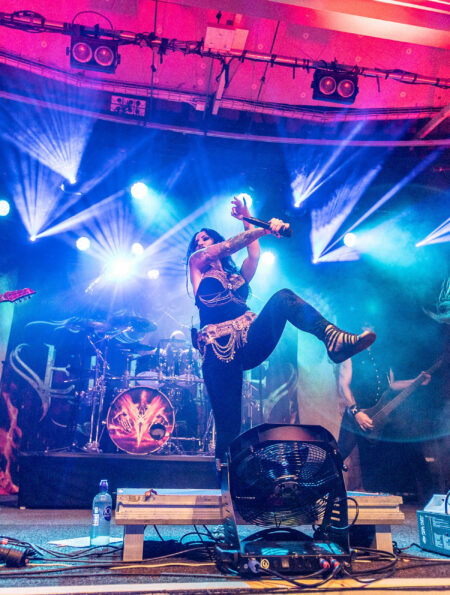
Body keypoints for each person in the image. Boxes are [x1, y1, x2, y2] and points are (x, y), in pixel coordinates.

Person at [187, 196, 376, 463]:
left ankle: (332, 338)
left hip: (247, 342)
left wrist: (246, 216)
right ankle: (225, 486)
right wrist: (266, 228)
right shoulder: (197, 265)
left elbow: (254, 253)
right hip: (217, 354)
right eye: (198, 241)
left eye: (205, 238)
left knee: (284, 298)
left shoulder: (238, 277)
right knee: (229, 425)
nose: (201, 243)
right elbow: (224, 248)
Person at [337, 336, 431, 494]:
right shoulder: (351, 354)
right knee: (339, 454)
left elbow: (391, 385)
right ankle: (320, 490)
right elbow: (343, 385)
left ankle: (381, 496)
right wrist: (356, 412)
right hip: (357, 413)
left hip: (377, 415)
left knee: (374, 459)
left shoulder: (382, 356)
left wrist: (416, 381)